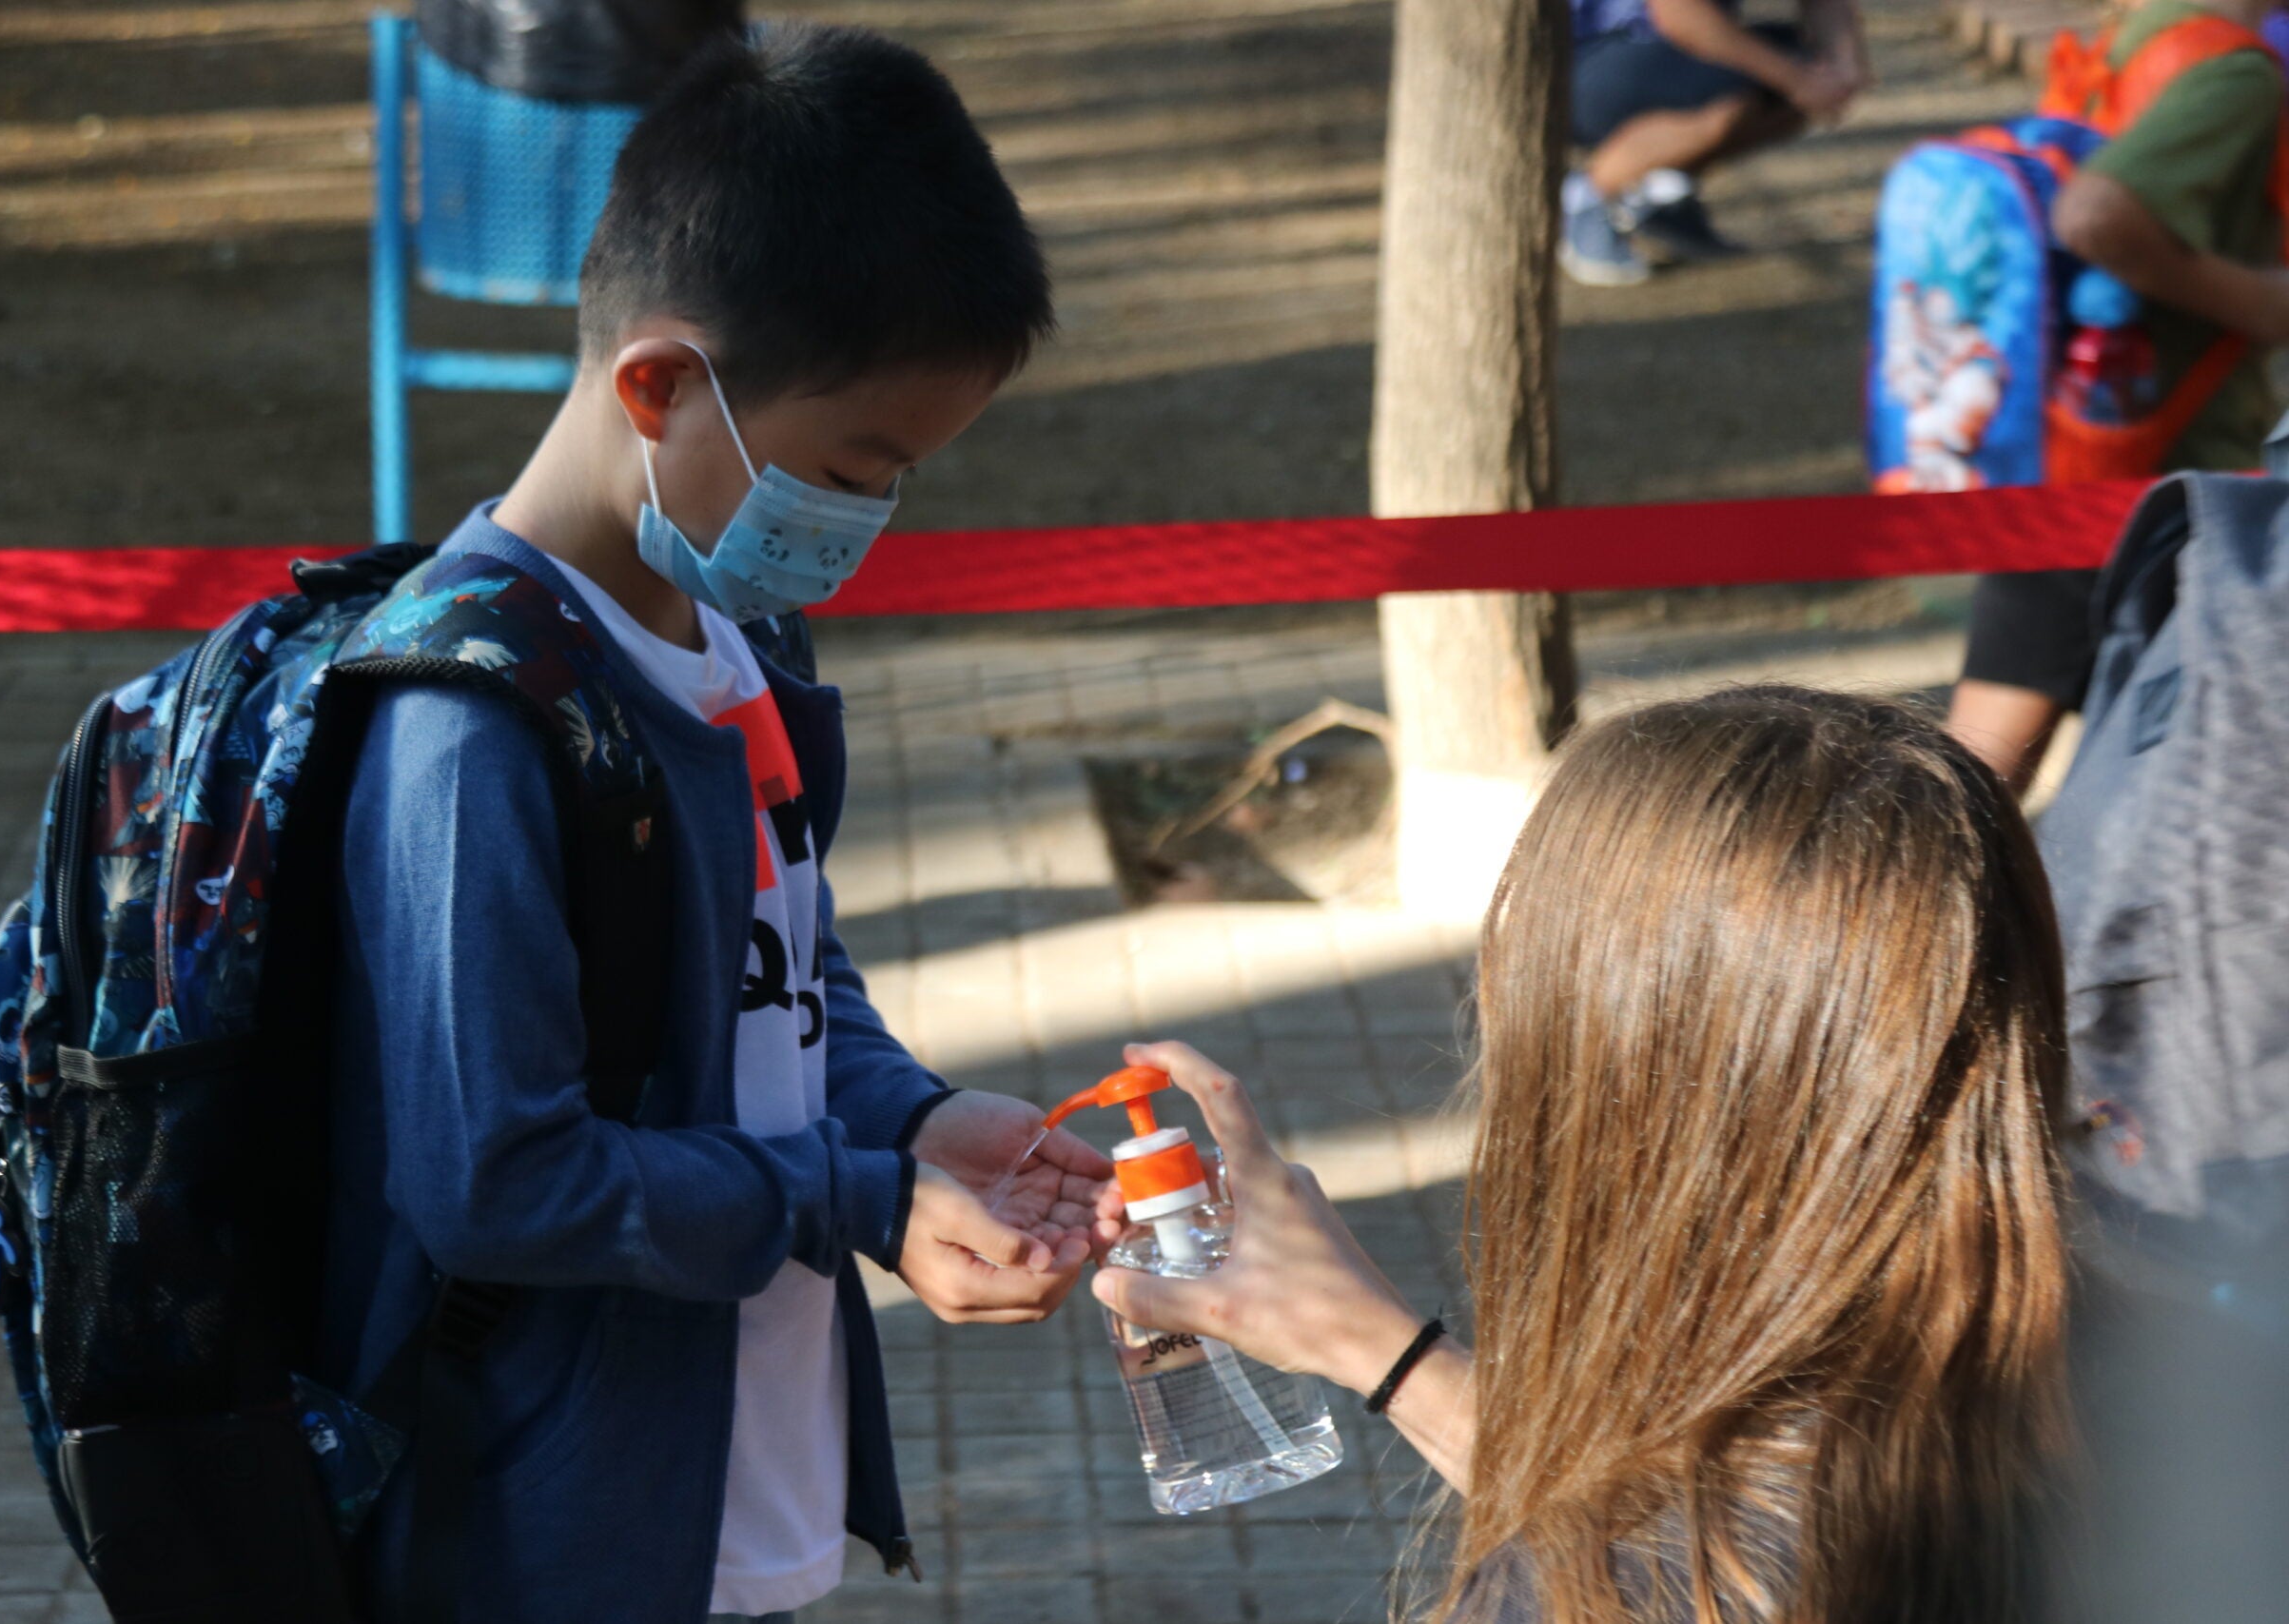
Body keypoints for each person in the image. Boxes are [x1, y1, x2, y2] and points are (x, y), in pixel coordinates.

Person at [316, 26, 1112, 1624]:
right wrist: (858, 1197)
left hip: (720, 1472)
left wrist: (908, 1119)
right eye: (848, 466)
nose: (866, 521)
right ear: (660, 383)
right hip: (543, 1522)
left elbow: (786, 969)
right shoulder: (467, 727)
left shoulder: (735, 638)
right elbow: (498, 1176)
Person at [1093, 687, 2075, 1622]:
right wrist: (1379, 1350)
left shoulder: (1614, 1586)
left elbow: (1653, 1542)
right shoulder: (2155, 1386)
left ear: (1618, 1071)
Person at [1948, 0, 2287, 794]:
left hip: (2071, 436)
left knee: (1971, 780)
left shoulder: (2138, 38)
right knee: (1976, 794)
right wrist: (2264, 303)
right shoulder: (2234, 72)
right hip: (2160, 478)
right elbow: (2094, 214)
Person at [1561, 0, 1870, 285]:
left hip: (1656, 53)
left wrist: (1843, 66)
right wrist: (1799, 80)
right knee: (1738, 88)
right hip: (1583, 63)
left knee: (1799, 68)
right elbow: (1681, 15)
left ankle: (1660, 192)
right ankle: (1588, 196)